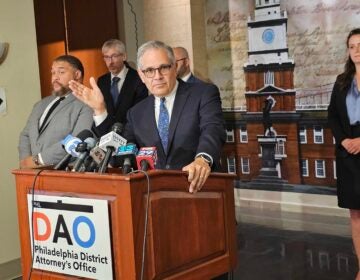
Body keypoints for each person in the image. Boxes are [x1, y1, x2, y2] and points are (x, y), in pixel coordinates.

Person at [70, 40, 226, 193]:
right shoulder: (136, 112)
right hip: (154, 195)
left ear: (174, 67)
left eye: (163, 68)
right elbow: (119, 155)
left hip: (200, 190)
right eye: (149, 71)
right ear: (141, 75)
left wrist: (203, 159)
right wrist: (100, 110)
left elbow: (212, 129)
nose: (157, 76)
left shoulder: (203, 94)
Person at [18, 55, 93, 168]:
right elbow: (25, 135)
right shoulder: (40, 104)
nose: (55, 78)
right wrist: (25, 161)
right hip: (30, 175)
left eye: (61, 72)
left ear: (77, 75)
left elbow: (77, 142)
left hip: (63, 174)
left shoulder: (88, 103)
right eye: (53, 73)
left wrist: (38, 160)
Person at [328, 28, 360, 279]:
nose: (357, 50)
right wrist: (344, 140)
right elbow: (333, 116)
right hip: (348, 155)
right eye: (352, 46)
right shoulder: (341, 81)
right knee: (356, 214)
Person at [93, 39, 148, 136]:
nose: (110, 62)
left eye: (114, 56)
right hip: (106, 135)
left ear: (124, 56)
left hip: (132, 134)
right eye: (106, 57)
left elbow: (140, 111)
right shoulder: (102, 81)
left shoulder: (138, 79)